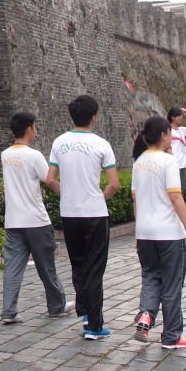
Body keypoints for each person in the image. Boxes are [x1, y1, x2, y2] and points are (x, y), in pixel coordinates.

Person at [47, 95, 119, 341]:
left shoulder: (59, 142)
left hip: (69, 213)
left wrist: (67, 194)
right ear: (93, 117)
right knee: (94, 268)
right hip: (94, 213)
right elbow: (114, 183)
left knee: (78, 265)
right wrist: (99, 198)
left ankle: (86, 314)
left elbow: (50, 179)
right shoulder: (101, 145)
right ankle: (95, 327)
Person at [131, 116, 186, 349]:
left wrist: (138, 232)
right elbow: (175, 197)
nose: (172, 137)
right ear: (163, 135)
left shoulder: (139, 162)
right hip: (169, 233)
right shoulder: (169, 161)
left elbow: (135, 199)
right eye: (170, 133)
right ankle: (171, 336)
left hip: (145, 233)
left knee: (150, 276)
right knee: (172, 284)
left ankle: (146, 314)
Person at [0, 112, 73, 324]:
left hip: (13, 222)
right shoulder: (34, 156)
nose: (36, 131)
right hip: (36, 221)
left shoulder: (5, 155)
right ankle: (56, 306)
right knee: (46, 266)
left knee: (13, 268)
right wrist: (68, 196)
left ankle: (9, 311)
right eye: (35, 127)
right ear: (29, 129)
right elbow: (50, 180)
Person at [167, 107, 186, 195]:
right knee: (175, 189)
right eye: (179, 116)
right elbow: (168, 147)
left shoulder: (181, 130)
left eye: (181, 116)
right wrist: (172, 161)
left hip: (182, 164)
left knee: (182, 189)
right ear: (172, 117)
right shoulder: (167, 130)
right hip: (174, 163)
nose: (181, 118)